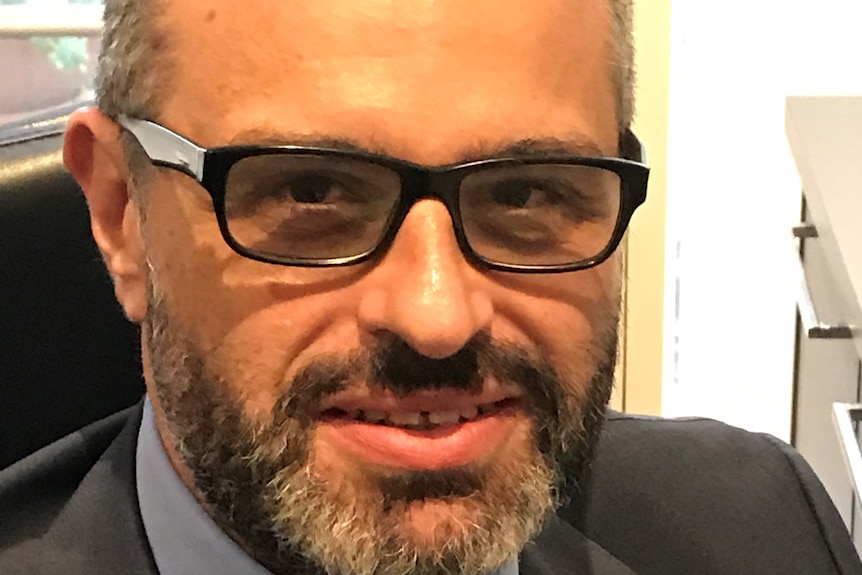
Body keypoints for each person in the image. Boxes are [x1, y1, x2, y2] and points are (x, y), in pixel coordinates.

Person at [0, 0, 859, 573]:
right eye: (312, 192)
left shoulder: (769, 530)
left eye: (526, 192)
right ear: (121, 215)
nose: (437, 315)